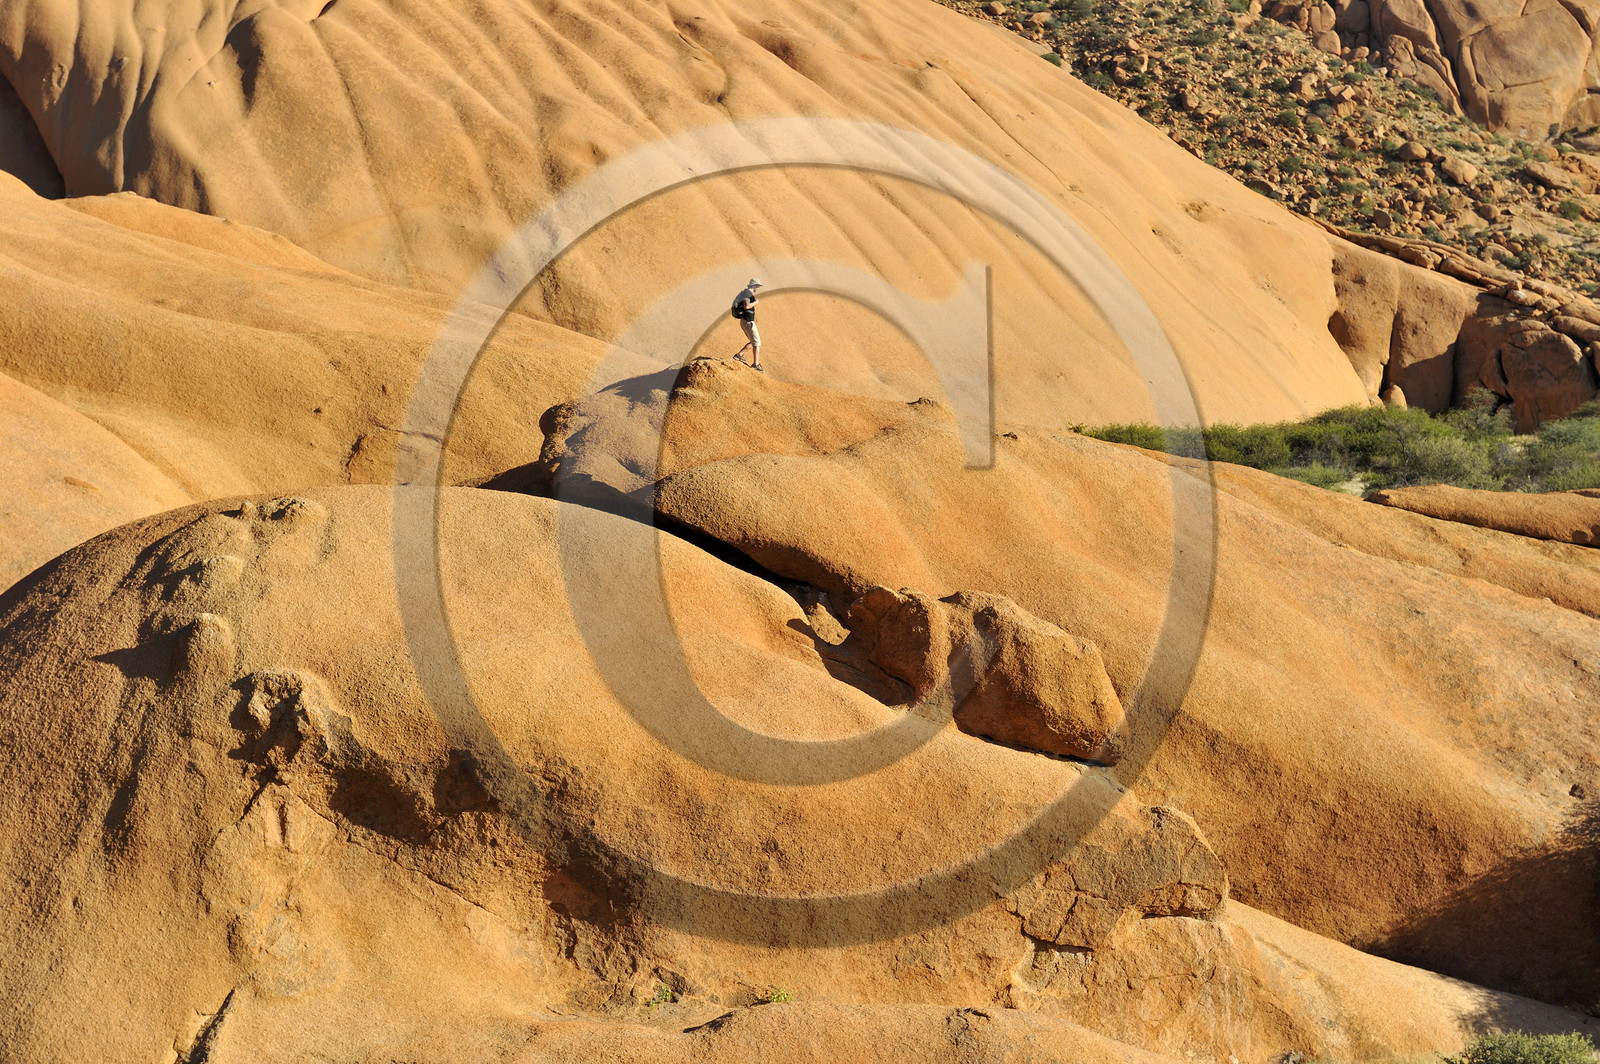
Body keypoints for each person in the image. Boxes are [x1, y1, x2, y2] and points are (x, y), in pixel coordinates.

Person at [730, 278, 765, 371]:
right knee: (757, 343)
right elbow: (746, 306)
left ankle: (739, 355)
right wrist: (755, 302)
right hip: (748, 322)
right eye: (758, 286)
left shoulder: (745, 293)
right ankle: (756, 364)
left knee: (753, 342)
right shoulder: (747, 294)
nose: (758, 288)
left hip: (745, 322)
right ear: (754, 286)